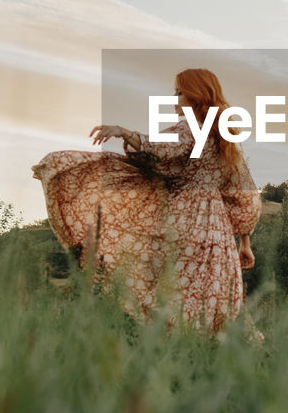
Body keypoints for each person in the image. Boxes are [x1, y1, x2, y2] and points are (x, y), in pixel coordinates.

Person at [31, 68, 262, 335]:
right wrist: (245, 242)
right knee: (213, 289)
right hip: (217, 229)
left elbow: (164, 147)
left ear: (197, 96)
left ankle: (175, 347)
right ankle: (211, 348)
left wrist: (123, 132)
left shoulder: (191, 127)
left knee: (175, 288)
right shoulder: (225, 137)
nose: (175, 99)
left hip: (186, 219)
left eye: (180, 92)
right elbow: (242, 192)